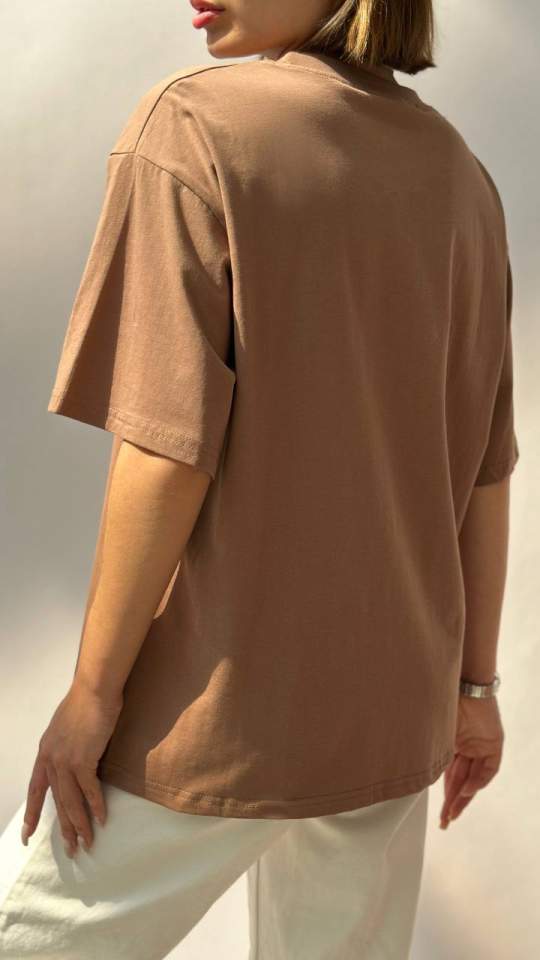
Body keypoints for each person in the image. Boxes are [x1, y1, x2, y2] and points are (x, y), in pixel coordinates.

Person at [0, 0, 520, 957]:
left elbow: (167, 446)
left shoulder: (197, 126)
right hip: (394, 715)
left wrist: (93, 694)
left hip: (219, 706)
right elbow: (487, 469)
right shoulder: (462, 177)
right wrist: (474, 690)